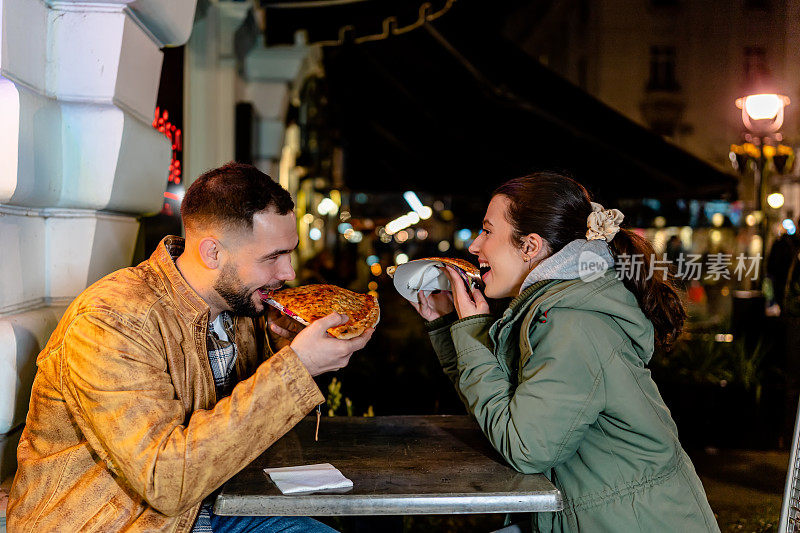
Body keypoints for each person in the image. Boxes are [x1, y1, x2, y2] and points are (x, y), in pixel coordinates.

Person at [8, 162, 374, 532]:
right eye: (273, 257)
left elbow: (236, 431)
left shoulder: (241, 307)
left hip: (212, 510)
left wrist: (283, 351)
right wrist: (295, 369)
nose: (289, 273)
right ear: (212, 253)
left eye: (289, 253)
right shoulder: (113, 319)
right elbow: (165, 481)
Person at [409, 172, 718, 532]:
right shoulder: (552, 308)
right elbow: (499, 410)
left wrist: (472, 329)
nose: (475, 246)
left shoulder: (571, 323)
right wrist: (452, 330)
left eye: (488, 231)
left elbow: (523, 447)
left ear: (530, 246)